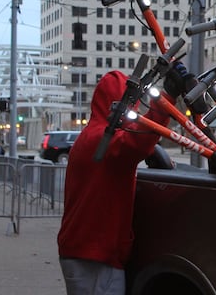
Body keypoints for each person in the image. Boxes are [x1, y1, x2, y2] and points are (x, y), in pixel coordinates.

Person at [58, 70, 173, 295]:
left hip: (84, 249)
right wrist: (165, 100)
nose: (134, 111)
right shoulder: (104, 140)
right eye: (131, 103)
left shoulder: (91, 134)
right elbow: (136, 143)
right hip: (95, 253)